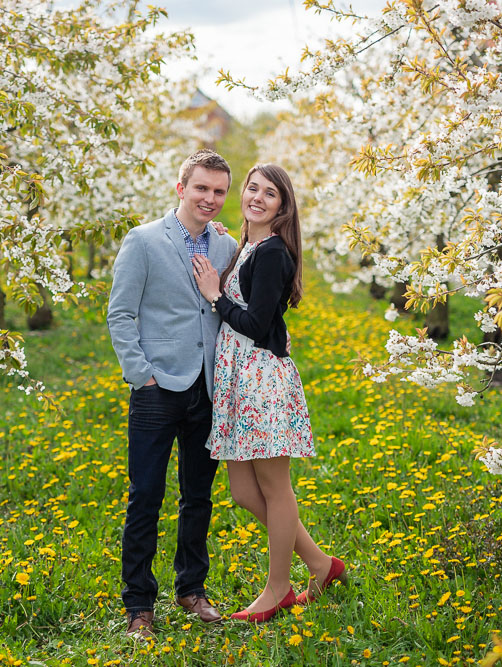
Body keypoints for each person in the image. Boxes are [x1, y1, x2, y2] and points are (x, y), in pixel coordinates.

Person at [190, 164, 346, 623]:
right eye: (252, 188)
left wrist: (215, 296)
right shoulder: (250, 246)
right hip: (237, 380)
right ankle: (321, 564)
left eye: (270, 193)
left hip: (261, 380)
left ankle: (279, 587)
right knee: (242, 491)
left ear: (283, 205)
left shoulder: (275, 252)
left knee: (276, 488)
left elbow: (257, 325)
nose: (257, 197)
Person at [106, 149, 239, 638]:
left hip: (208, 387)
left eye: (219, 191)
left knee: (198, 495)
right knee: (146, 495)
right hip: (157, 388)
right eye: (201, 188)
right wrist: (142, 374)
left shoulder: (225, 248)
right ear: (181, 188)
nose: (210, 198)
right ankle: (139, 604)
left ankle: (191, 589)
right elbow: (121, 314)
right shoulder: (142, 241)